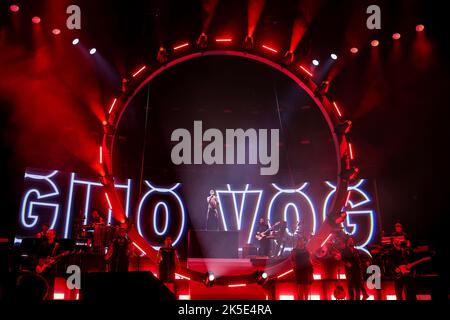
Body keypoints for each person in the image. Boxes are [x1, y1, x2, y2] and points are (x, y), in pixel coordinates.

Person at [36, 229, 60, 299]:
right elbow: (38, 256)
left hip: (51, 269)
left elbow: (59, 258)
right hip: (43, 268)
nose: (48, 235)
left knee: (51, 285)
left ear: (54, 235)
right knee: (41, 284)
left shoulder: (57, 245)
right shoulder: (42, 244)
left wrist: (54, 261)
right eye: (47, 234)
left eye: (50, 234)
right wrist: (43, 261)